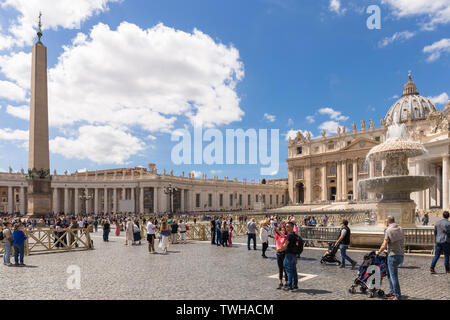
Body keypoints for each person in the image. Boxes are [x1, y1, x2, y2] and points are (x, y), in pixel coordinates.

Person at [376, 216, 405, 300]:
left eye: (386, 222)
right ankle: (392, 292)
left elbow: (384, 244)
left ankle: (397, 295)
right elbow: (397, 242)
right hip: (400, 255)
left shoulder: (388, 230)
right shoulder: (400, 228)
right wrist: (387, 250)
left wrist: (379, 252)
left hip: (393, 256)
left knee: (393, 276)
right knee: (389, 274)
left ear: (388, 222)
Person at [277, 222, 298, 291]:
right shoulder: (295, 235)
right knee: (294, 270)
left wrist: (279, 249)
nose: (286, 228)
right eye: (286, 226)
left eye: (287, 226)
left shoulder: (289, 235)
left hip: (289, 254)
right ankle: (295, 285)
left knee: (288, 270)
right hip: (294, 255)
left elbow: (285, 245)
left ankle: (289, 285)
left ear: (292, 227)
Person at [274, 224, 288, 289]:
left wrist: (278, 231)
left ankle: (286, 282)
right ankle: (280, 282)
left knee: (285, 269)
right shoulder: (278, 237)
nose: (282, 230)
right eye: (281, 229)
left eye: (283, 229)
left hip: (284, 253)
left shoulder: (286, 236)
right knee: (280, 269)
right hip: (278, 253)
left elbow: (282, 235)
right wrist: (274, 229)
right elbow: (274, 234)